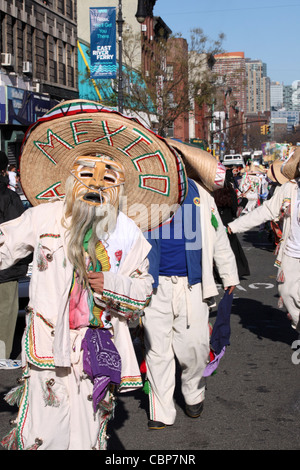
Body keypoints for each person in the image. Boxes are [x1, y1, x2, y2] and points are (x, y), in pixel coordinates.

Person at [0, 99, 187, 450]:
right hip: (48, 346)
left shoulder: (127, 231)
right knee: (44, 433)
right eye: (87, 173)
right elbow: (4, 245)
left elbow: (144, 290)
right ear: (72, 178)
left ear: (119, 186)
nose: (96, 183)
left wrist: (112, 284)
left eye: (108, 177)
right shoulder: (44, 217)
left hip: (95, 347)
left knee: (87, 433)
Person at [142, 139, 239, 430]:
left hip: (193, 285)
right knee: (157, 350)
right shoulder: (143, 194)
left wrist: (229, 275)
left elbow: (218, 236)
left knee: (194, 348)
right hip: (154, 286)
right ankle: (161, 411)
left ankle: (193, 392)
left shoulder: (200, 195)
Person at [227, 148, 300, 333]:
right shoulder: (290, 188)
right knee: (287, 292)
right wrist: (234, 226)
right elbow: (266, 210)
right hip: (292, 252)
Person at [0, 151, 30, 369]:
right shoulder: (9, 198)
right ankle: (1, 356)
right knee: (5, 312)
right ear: (4, 171)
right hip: (5, 267)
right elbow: (21, 235)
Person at [213, 169, 250, 279]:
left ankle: (217, 274)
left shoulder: (212, 191)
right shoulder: (230, 192)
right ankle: (234, 273)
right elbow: (236, 212)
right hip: (228, 225)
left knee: (216, 250)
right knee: (232, 250)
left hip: (215, 224)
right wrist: (244, 201)